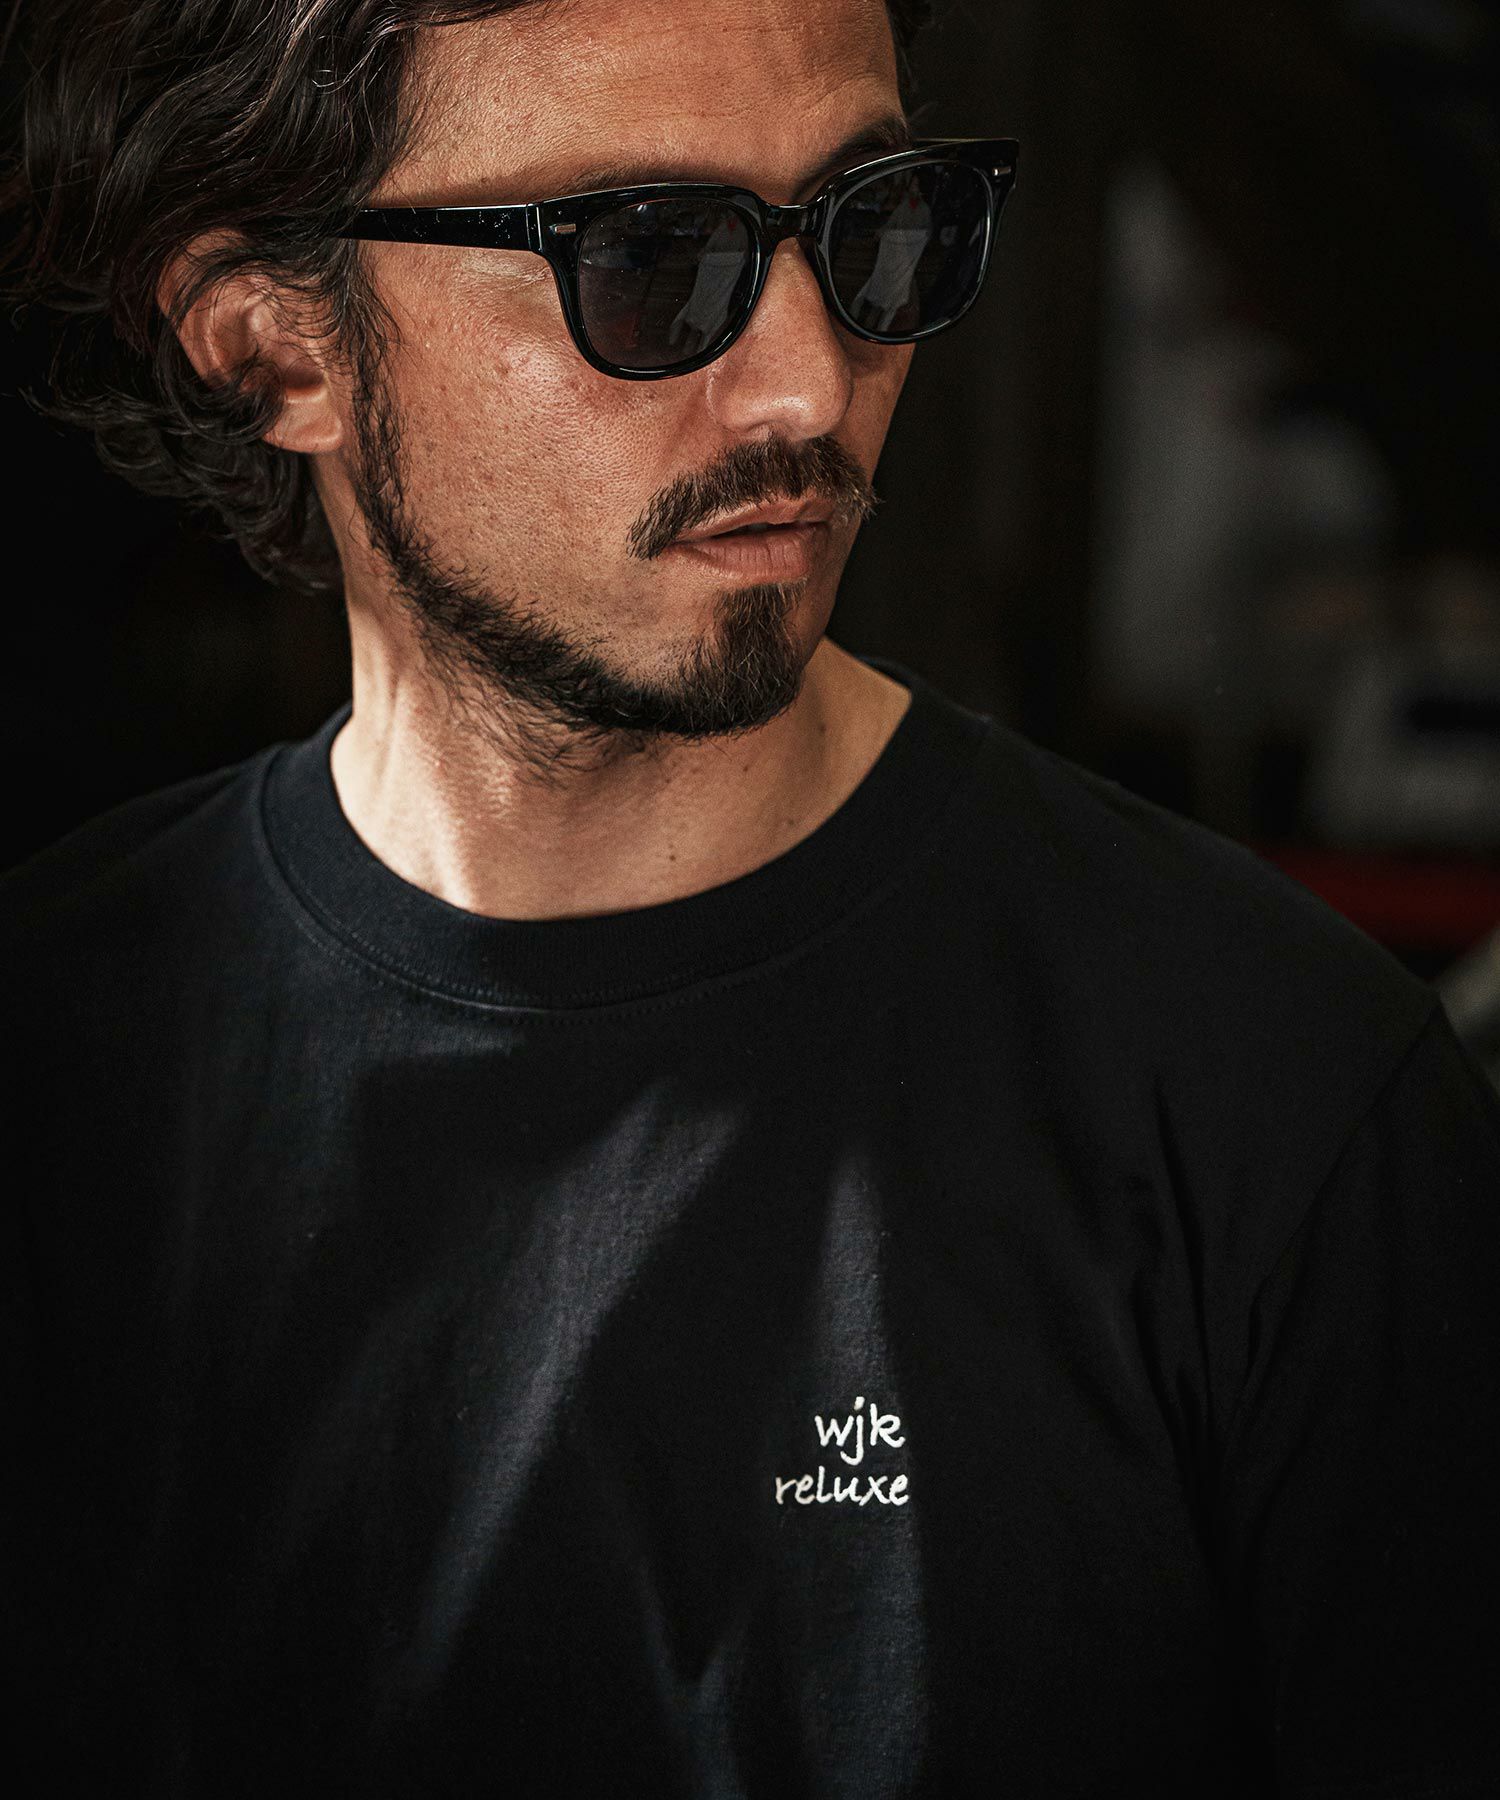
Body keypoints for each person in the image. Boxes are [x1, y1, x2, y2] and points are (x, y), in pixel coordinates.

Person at [2, 1, 1496, 1794]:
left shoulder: (1274, 1099)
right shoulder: (60, 1073)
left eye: (873, 227)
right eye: (645, 260)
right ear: (269, 343)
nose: (811, 386)